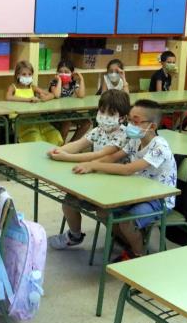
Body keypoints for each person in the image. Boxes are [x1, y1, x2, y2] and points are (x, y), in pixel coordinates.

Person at [70, 100, 177, 261]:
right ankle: (130, 241)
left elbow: (128, 169)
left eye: (136, 121)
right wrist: (88, 165)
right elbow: (113, 157)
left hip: (158, 198)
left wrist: (92, 165)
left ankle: (138, 254)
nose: (130, 125)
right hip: (136, 192)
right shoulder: (135, 140)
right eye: (130, 120)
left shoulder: (159, 147)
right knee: (103, 211)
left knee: (127, 222)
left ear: (152, 127)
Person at [47, 89, 131, 249]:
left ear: (122, 118)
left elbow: (98, 156)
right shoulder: (97, 131)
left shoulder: (123, 135)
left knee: (105, 213)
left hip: (115, 185)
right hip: (94, 180)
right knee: (68, 203)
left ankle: (125, 241)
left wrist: (67, 157)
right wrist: (59, 150)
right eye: (102, 111)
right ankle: (74, 235)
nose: (105, 116)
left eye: (111, 113)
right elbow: (78, 144)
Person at [5, 60, 62, 145]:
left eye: (30, 74)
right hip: (20, 120)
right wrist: (28, 100)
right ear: (17, 75)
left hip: (35, 118)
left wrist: (45, 98)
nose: (27, 76)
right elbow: (8, 97)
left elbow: (52, 94)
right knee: (35, 137)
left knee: (55, 135)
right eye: (24, 74)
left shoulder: (33, 87)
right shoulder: (13, 87)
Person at [48, 59, 88, 142]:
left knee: (87, 123)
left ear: (72, 73)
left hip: (69, 112)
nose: (63, 74)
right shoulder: (54, 82)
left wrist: (82, 79)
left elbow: (81, 95)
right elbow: (57, 95)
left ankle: (71, 144)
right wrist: (59, 80)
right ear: (57, 73)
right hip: (56, 113)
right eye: (60, 72)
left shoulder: (72, 83)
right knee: (67, 122)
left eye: (66, 72)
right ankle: (61, 146)